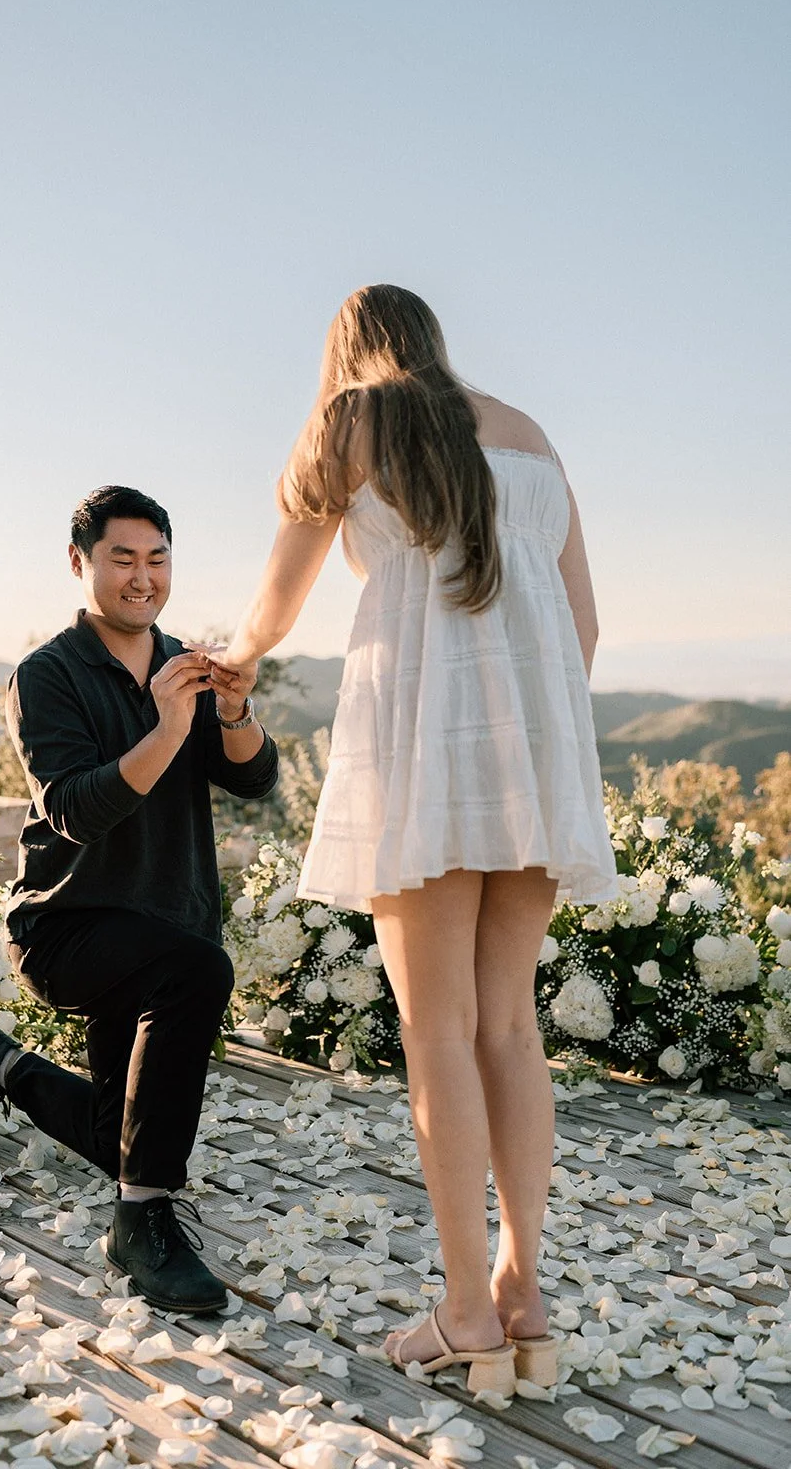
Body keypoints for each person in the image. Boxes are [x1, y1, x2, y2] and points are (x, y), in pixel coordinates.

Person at [211, 285, 618, 1395]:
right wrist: (526, 744)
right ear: (433, 341)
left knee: (433, 1028)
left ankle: (462, 1313)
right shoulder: (529, 436)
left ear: (347, 353)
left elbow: (277, 599)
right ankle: (523, 1292)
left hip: (420, 751)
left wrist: (232, 657)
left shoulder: (348, 422)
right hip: (533, 753)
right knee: (507, 1022)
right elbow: (581, 624)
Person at [0, 484, 278, 1315]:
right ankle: (138, 1225)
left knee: (118, 1137)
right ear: (79, 562)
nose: (142, 577)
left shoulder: (182, 667)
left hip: (163, 927)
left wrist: (232, 709)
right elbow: (75, 809)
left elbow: (254, 777)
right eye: (121, 558)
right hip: (66, 927)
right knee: (195, 977)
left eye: (157, 558)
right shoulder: (46, 675)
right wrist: (165, 728)